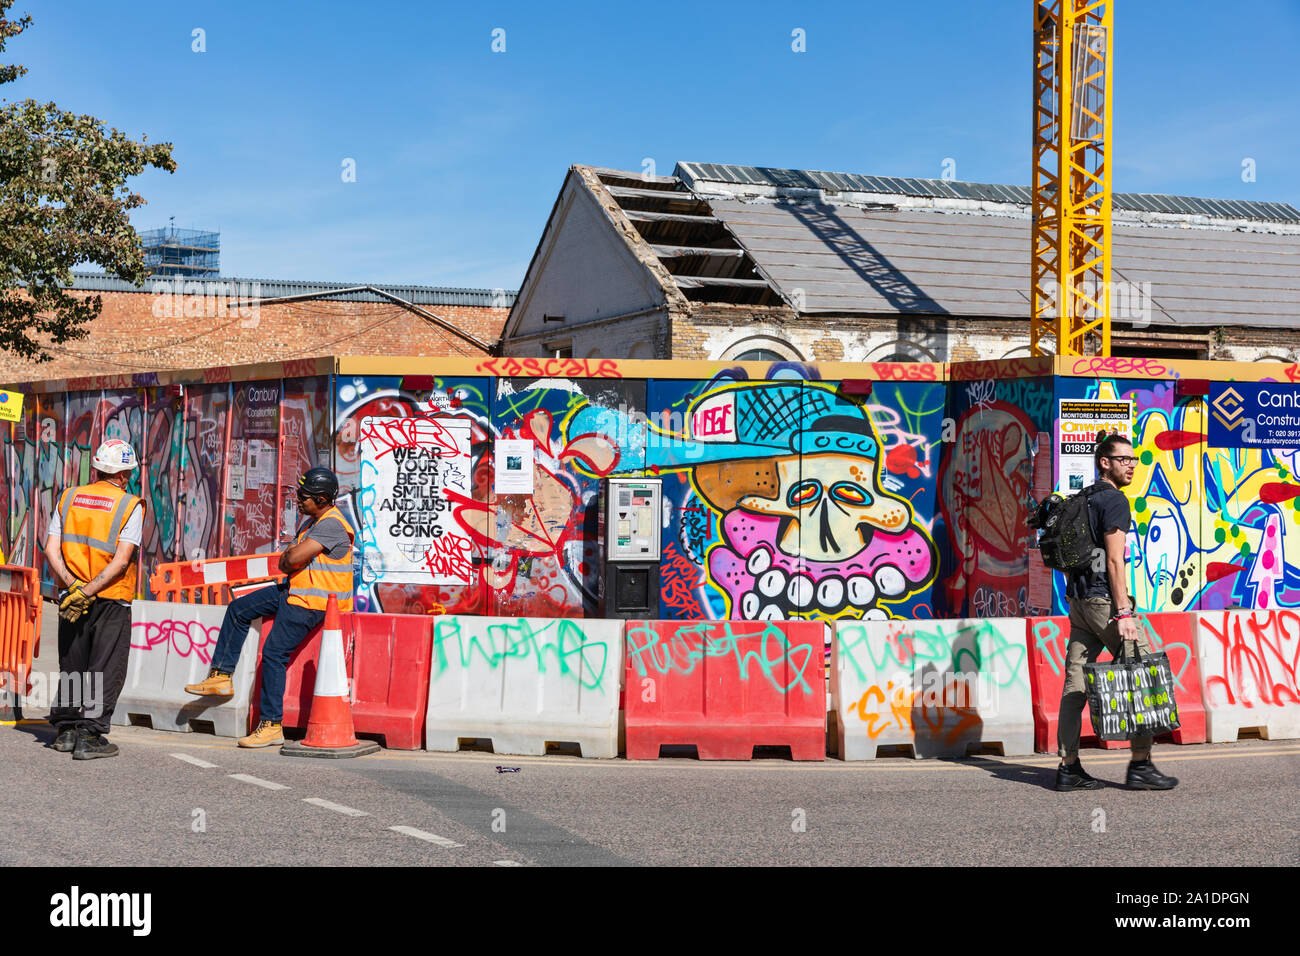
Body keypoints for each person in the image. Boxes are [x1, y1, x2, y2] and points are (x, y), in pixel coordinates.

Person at [184, 466, 354, 748]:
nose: (298, 500)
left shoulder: (331, 524)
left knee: (274, 653)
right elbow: (287, 561)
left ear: (322, 499)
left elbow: (291, 559)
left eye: (304, 496)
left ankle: (272, 725)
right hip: (294, 591)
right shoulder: (312, 523)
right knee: (239, 609)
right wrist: (291, 558)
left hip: (312, 603)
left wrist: (291, 558)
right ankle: (221, 676)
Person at [1055, 434, 1178, 792]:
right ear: (1104, 462)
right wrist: (1123, 613)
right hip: (1104, 604)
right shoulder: (1114, 501)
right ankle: (1141, 764)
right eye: (1123, 459)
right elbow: (1114, 560)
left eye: (1134, 459)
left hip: (1078, 602)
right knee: (1142, 674)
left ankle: (1069, 767)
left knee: (1075, 683)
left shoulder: (1082, 498)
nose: (1131, 465)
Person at [43, 438, 145, 760]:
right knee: (105, 666)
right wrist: (90, 590)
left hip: (72, 595)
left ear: (97, 468)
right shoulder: (130, 505)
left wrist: (73, 586)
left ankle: (66, 731)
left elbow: (50, 548)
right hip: (111, 598)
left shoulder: (69, 497)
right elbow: (121, 560)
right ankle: (90, 735)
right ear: (125, 474)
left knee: (73, 662)